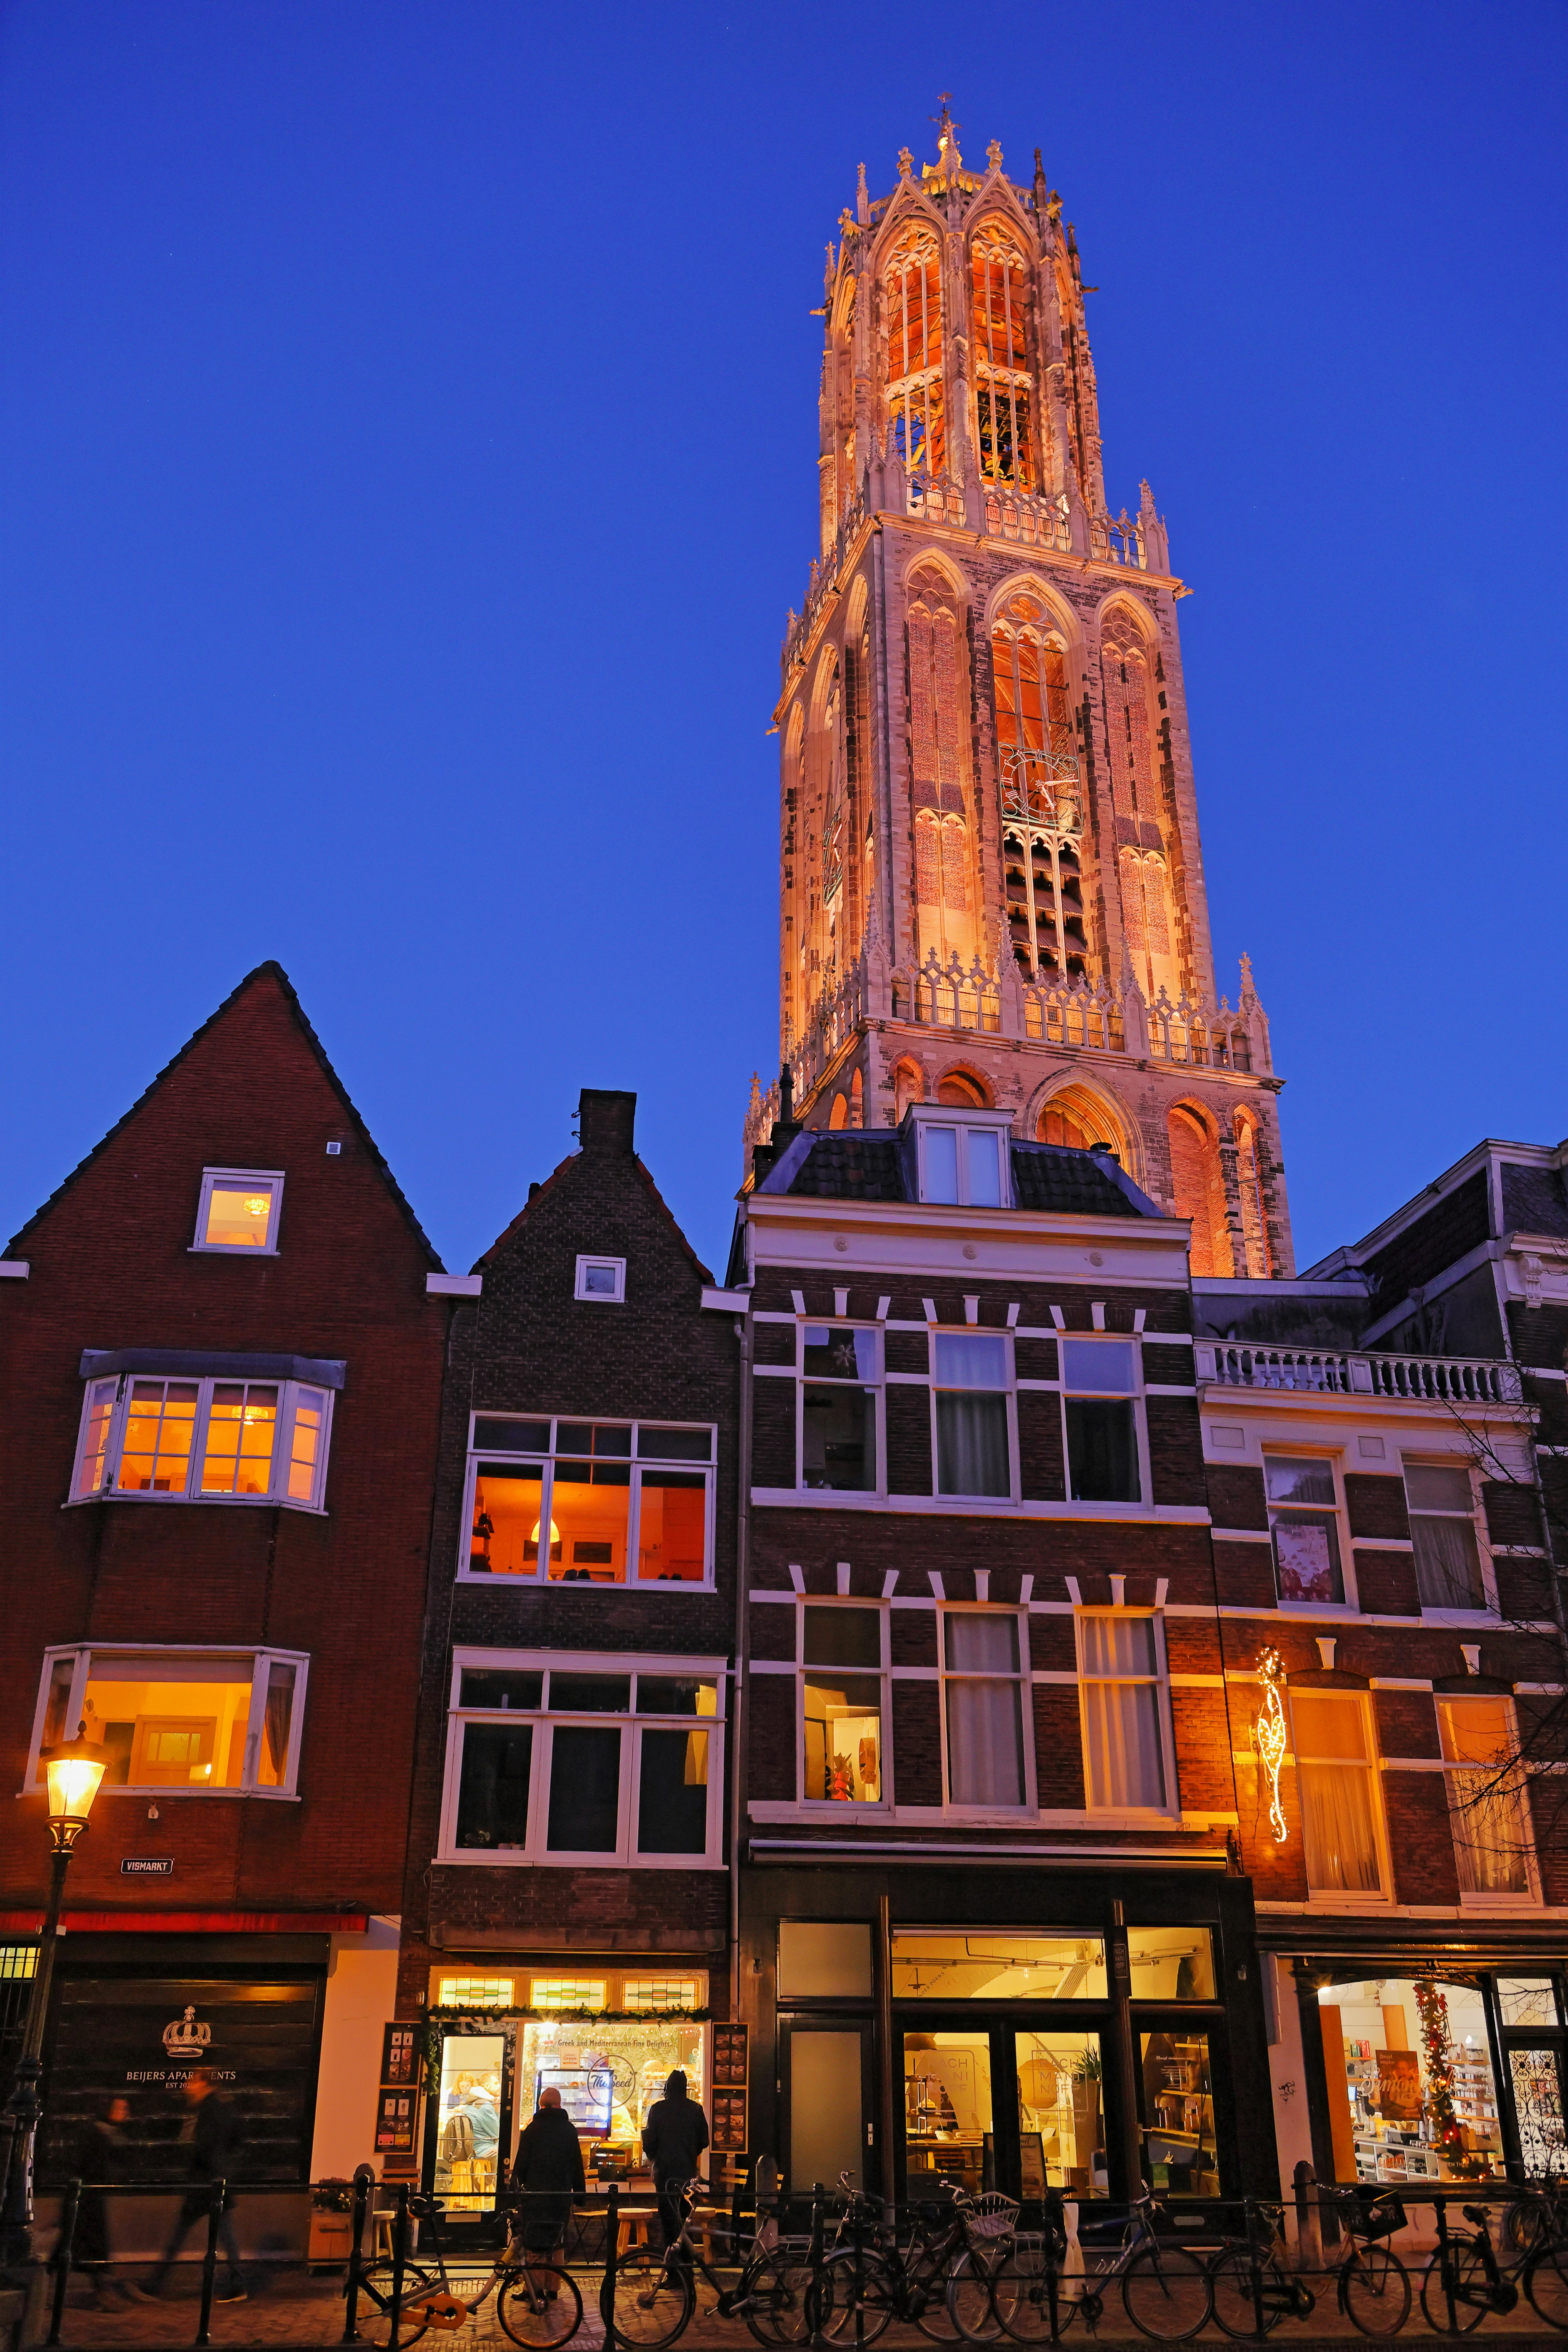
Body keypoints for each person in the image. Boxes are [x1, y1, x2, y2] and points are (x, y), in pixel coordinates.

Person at [133, 2070, 246, 2304]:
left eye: (192, 2081)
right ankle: (238, 2286)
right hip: (216, 2183)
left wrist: (195, 2162)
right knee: (225, 2236)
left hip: (205, 2183)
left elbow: (204, 2146)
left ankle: (154, 2286)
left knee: (181, 2236)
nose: (186, 2086)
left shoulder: (208, 2110)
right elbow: (237, 2140)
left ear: (204, 2085)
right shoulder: (222, 2108)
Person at [511, 2086, 585, 2266]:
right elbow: (577, 2165)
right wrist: (580, 2196)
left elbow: (521, 2163)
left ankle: (535, 2281)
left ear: (542, 2106)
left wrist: (514, 2193)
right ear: (559, 2105)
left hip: (536, 2196)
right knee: (557, 2242)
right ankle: (554, 2281)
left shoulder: (532, 2130)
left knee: (534, 2242)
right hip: (560, 2196)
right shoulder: (569, 2130)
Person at [640, 2071, 709, 2254]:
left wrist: (654, 2160)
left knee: (668, 2221)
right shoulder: (696, 2110)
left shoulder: (658, 2110)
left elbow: (649, 2143)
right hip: (687, 2174)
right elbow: (704, 2141)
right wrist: (691, 2153)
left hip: (664, 2175)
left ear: (667, 2088)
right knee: (685, 2220)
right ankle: (685, 2264)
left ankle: (671, 2263)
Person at [74, 2096, 132, 2308]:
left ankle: (101, 2289)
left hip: (89, 2197)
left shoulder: (109, 2133)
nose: (124, 2113)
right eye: (119, 2108)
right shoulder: (99, 2133)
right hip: (88, 2198)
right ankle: (102, 2292)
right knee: (90, 2244)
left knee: (80, 2244)